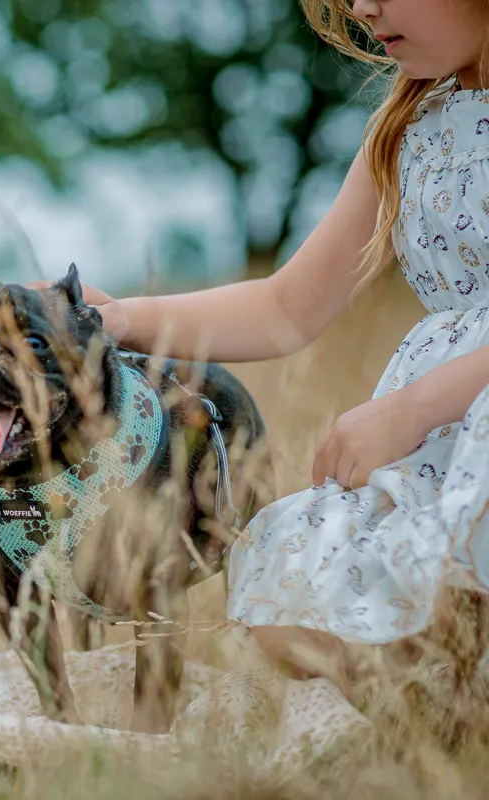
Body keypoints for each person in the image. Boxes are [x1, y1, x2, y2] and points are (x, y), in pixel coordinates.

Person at [45, 0, 489, 691]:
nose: (361, 7)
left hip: (455, 419)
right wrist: (123, 318)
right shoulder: (408, 130)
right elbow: (287, 307)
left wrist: (409, 410)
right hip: (437, 449)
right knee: (291, 589)